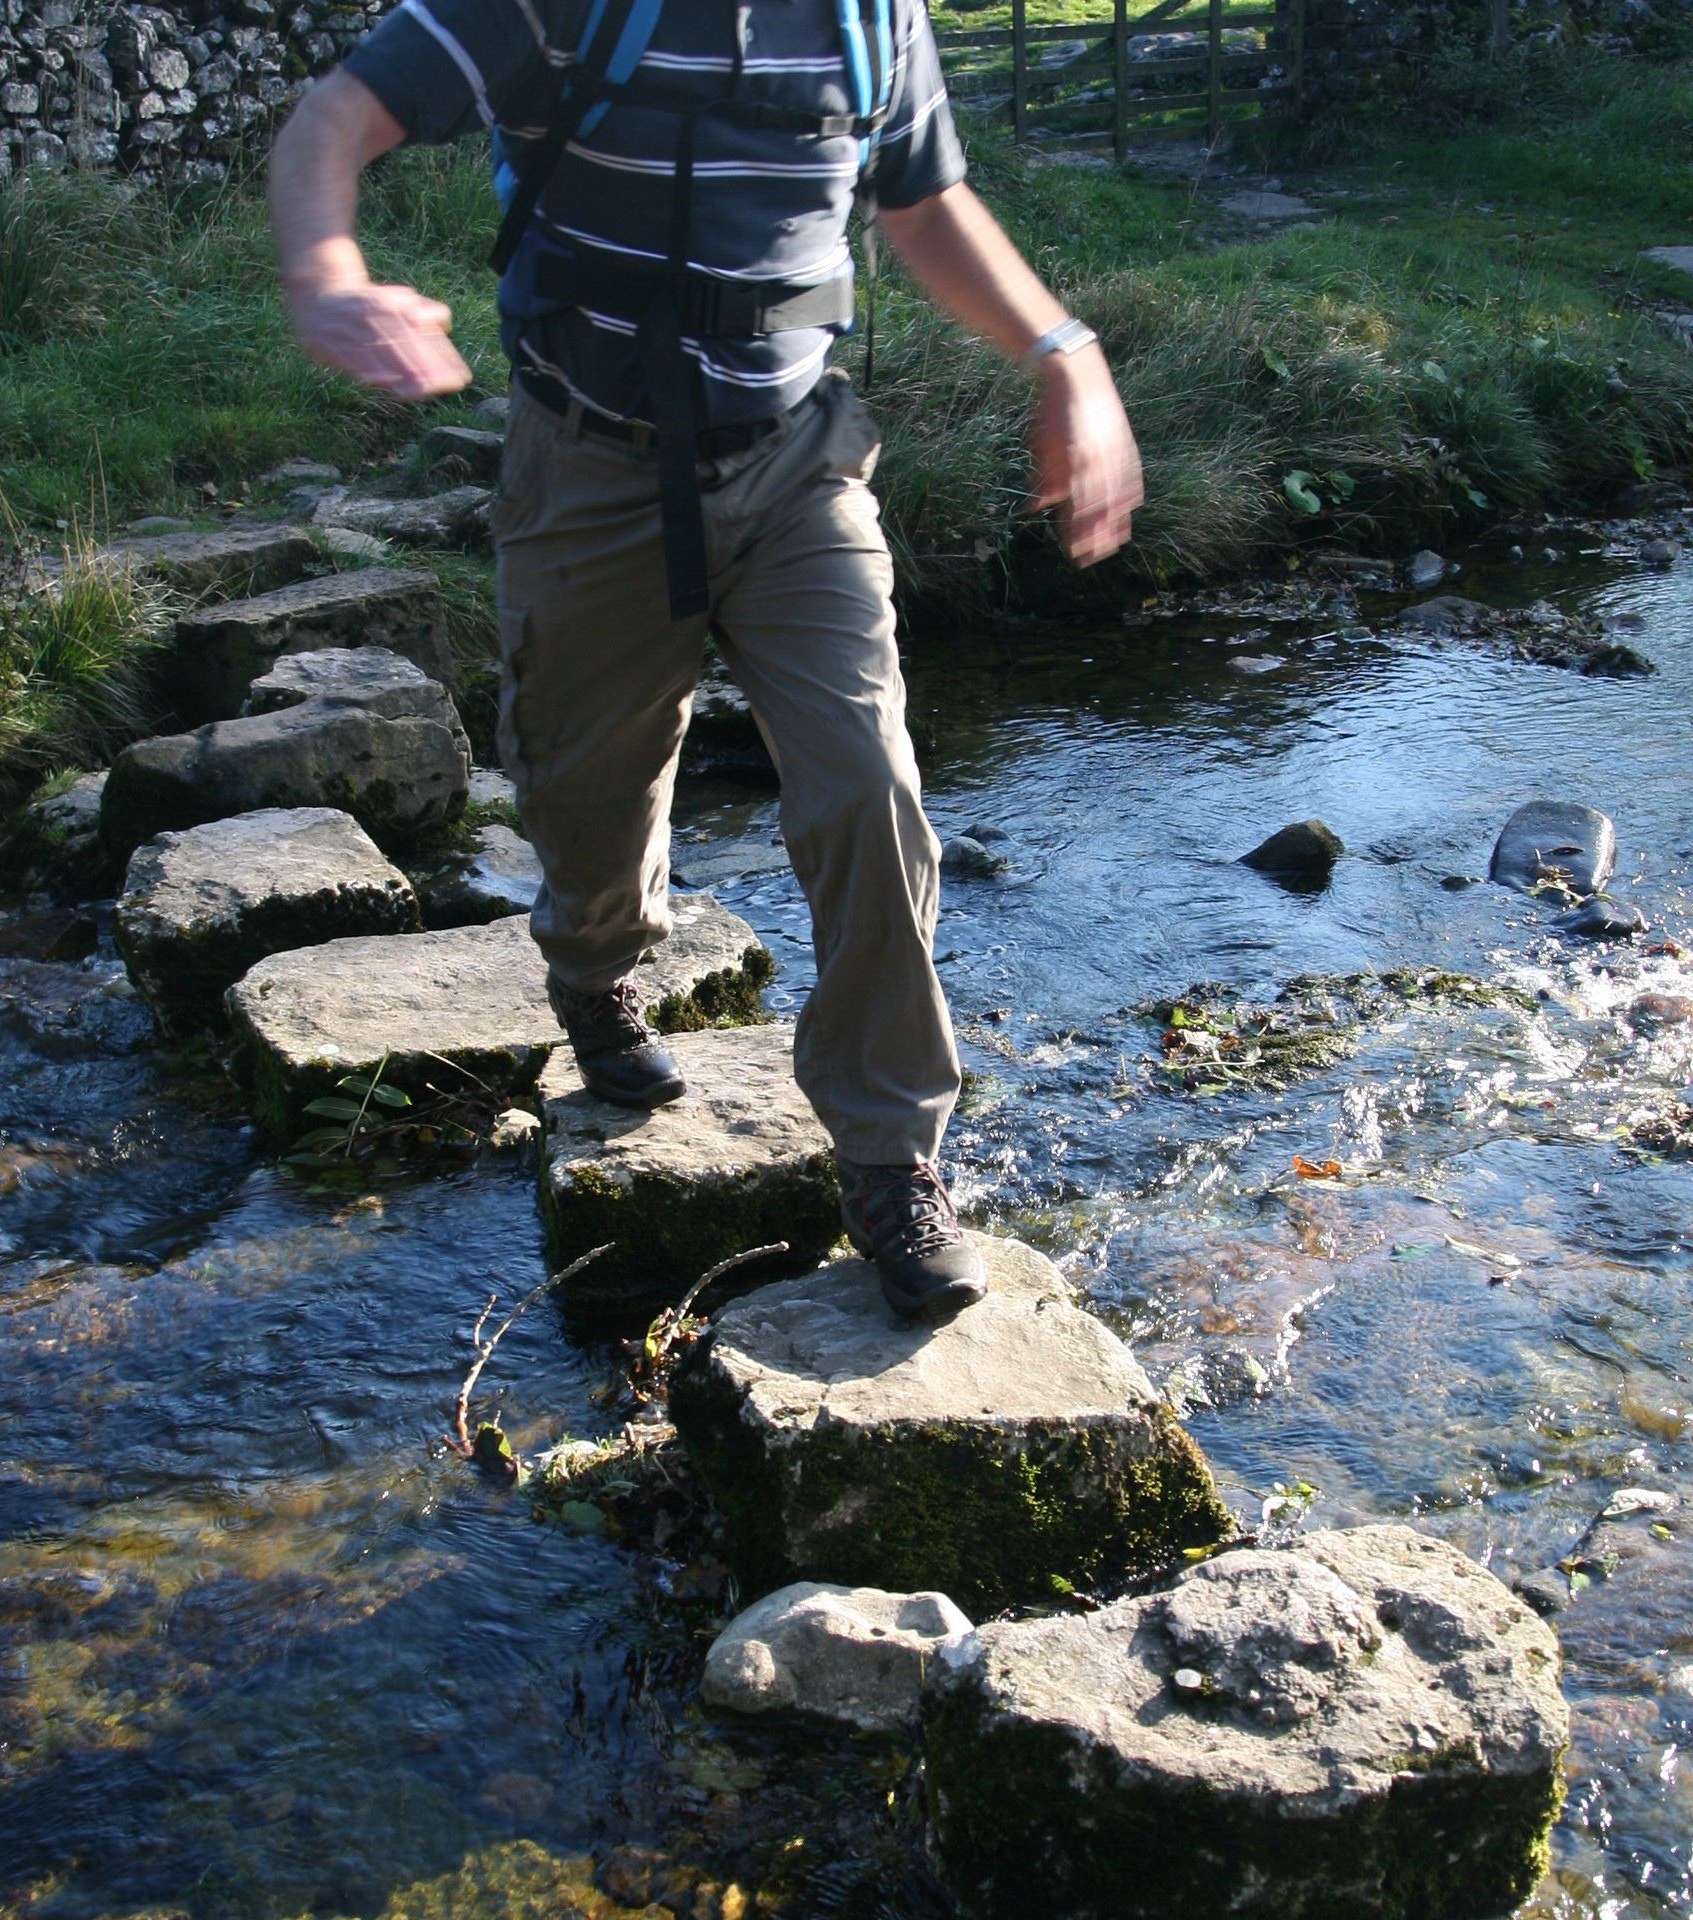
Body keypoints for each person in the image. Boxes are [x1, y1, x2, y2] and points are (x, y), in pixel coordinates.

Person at [268, 0, 1142, 1319]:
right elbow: (333, 119)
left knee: (868, 785)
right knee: (583, 785)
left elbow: (924, 205)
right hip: (591, 458)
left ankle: (891, 1154)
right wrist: (328, 271)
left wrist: (1064, 354)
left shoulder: (869, 16)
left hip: (798, 465)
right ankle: (593, 966)